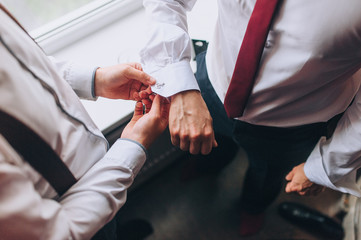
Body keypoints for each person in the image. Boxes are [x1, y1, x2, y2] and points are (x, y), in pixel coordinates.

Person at [139, 0, 361, 236]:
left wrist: (326, 167)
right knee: (210, 145)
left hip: (293, 125)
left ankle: (253, 208)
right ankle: (209, 166)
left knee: (266, 176)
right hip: (212, 84)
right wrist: (180, 86)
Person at [0, 5, 170, 240]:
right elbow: (56, 234)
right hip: (80, 222)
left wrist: (96, 80)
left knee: (112, 226)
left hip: (101, 184)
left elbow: (24, 64)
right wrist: (133, 146)